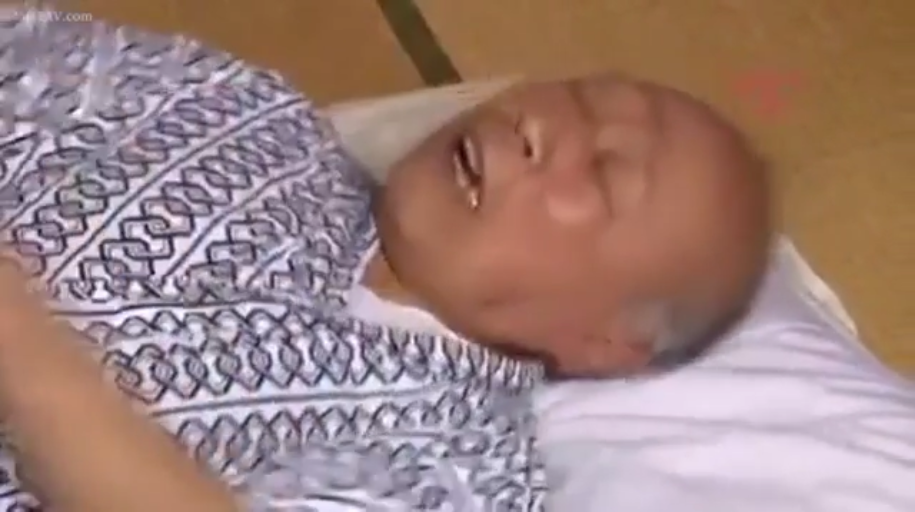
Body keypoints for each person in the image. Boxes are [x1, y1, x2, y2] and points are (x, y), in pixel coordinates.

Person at [0, 21, 770, 512]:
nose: (537, 123)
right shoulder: (239, 105)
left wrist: (28, 352)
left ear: (604, 342)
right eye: (573, 96)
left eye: (602, 173)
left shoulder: (459, 469)